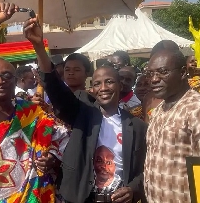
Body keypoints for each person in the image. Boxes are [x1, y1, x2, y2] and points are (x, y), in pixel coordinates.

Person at [24, 16, 147, 203]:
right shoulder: (83, 112)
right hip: (80, 198)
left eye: (109, 82)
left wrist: (132, 189)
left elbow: (144, 170)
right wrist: (39, 46)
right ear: (92, 88)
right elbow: (57, 90)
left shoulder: (137, 126)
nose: (103, 88)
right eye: (97, 83)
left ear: (120, 85)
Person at [0, 2, 67, 203]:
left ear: (15, 81)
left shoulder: (31, 113)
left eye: (6, 75)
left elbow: (58, 141)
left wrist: (50, 157)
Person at [144, 47, 200, 202]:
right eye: (150, 73)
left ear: (182, 73)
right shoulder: (159, 110)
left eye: (163, 72)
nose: (154, 79)